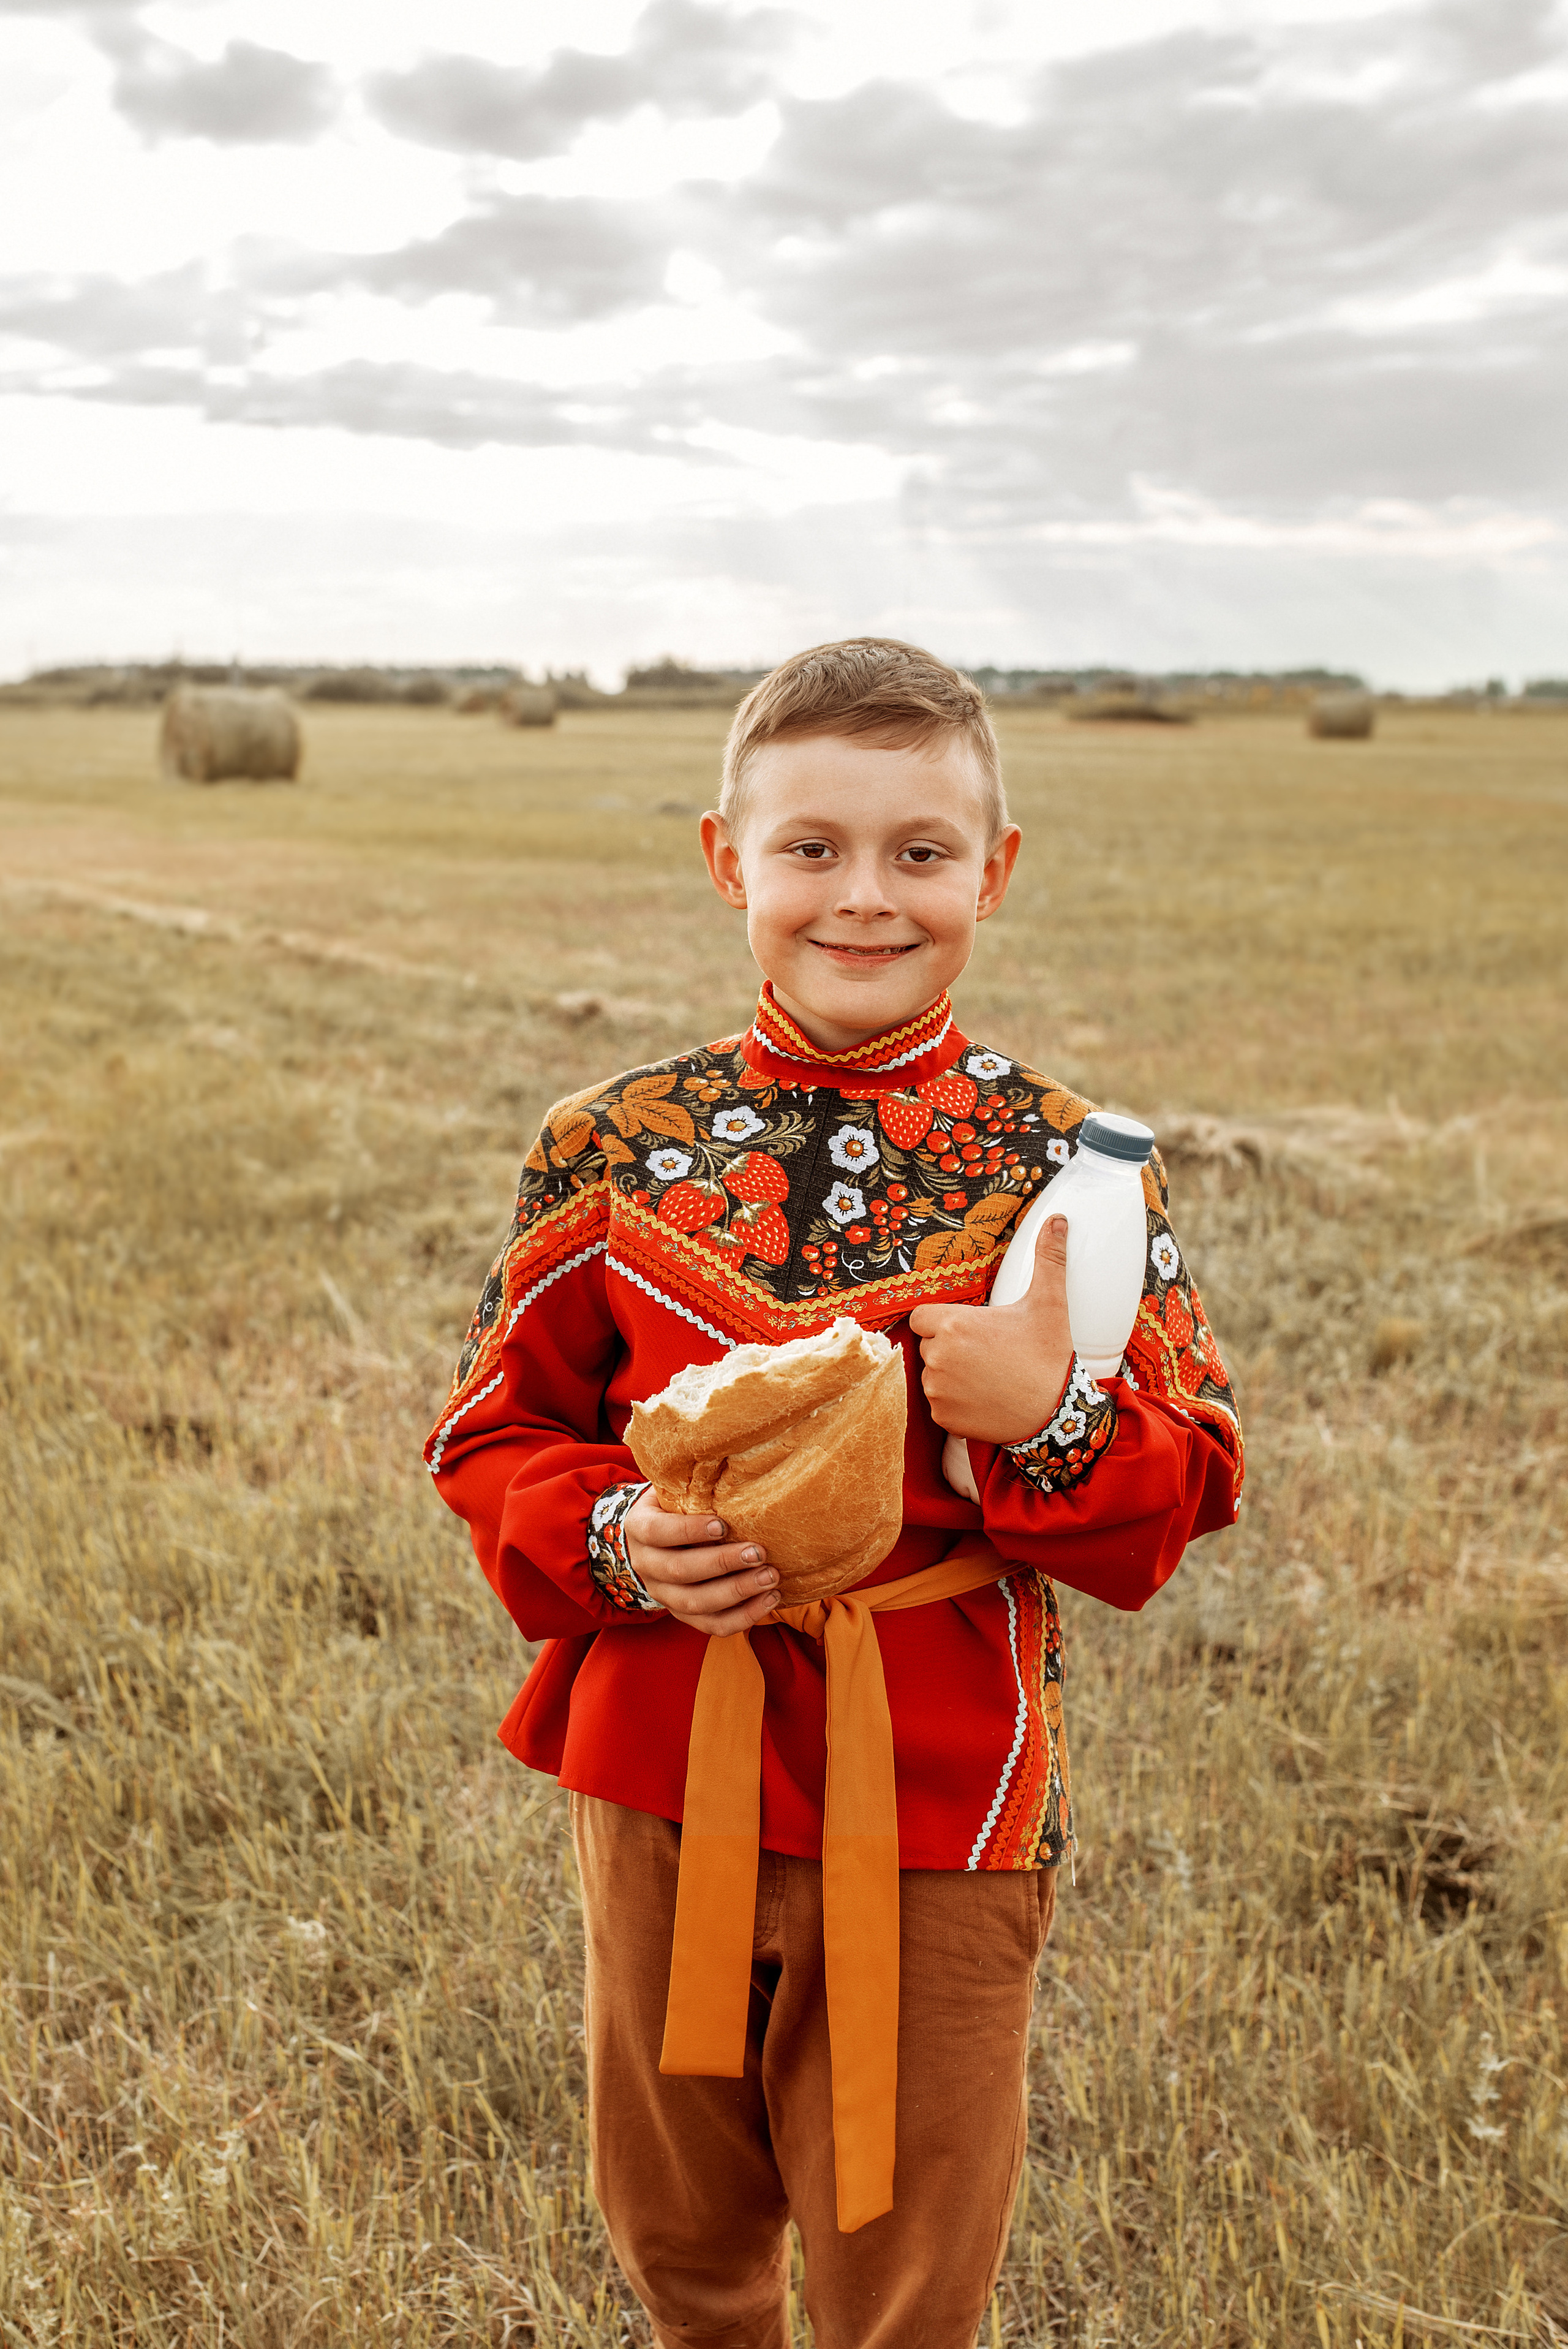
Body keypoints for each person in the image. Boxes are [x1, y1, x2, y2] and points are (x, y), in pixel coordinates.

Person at [424, 638, 1243, 2349]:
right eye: (812, 848)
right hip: (664, 1761)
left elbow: (1193, 1478)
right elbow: (490, 1433)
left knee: (907, 2251)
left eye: (920, 852)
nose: (864, 897)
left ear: (994, 873)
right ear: (729, 858)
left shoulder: (1068, 1165)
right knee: (683, 2229)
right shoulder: (612, 1144)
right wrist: (616, 1539)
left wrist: (1040, 1419)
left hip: (941, 1790)